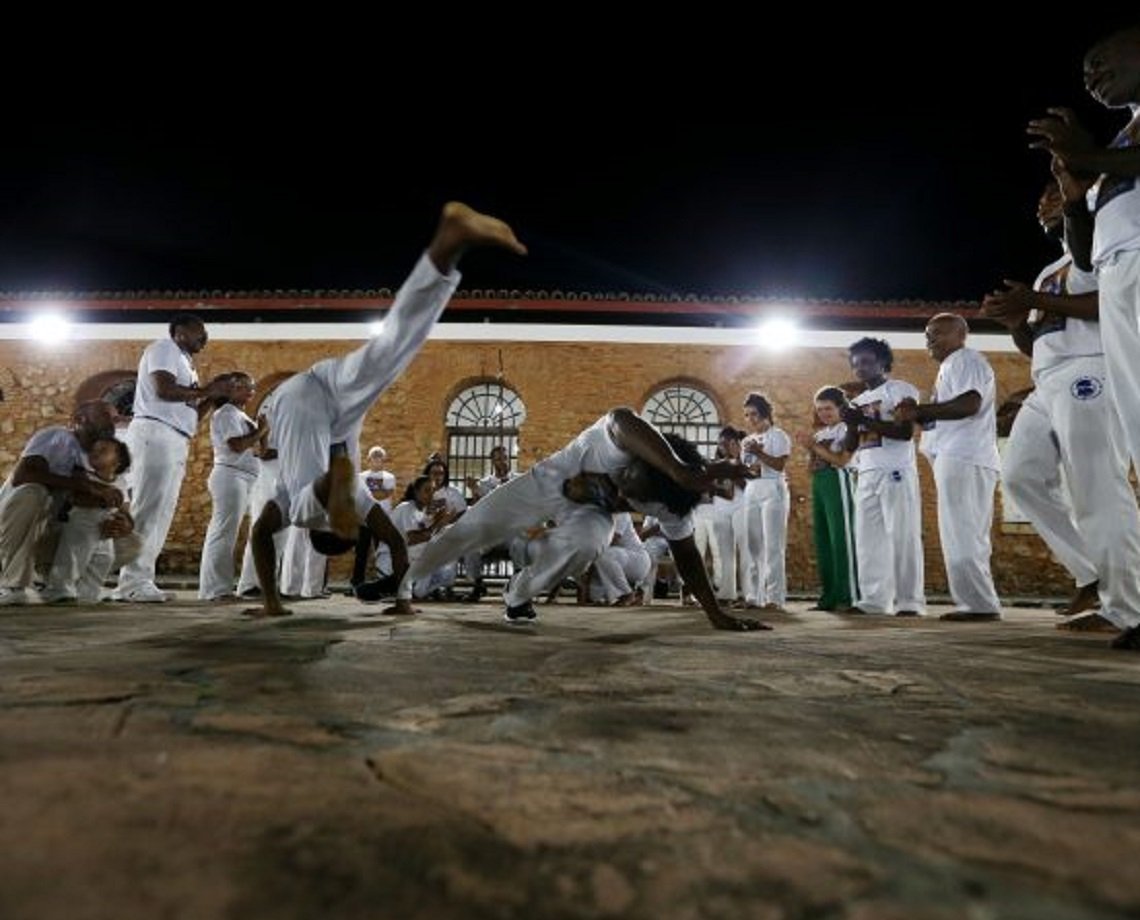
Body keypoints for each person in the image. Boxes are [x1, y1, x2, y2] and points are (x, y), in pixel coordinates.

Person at [243, 201, 527, 618]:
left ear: (339, 528)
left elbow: (261, 536)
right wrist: (401, 600)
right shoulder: (351, 502)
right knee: (389, 352)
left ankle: (325, 486)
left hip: (300, 400)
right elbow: (263, 536)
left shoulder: (331, 508)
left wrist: (272, 604)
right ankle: (446, 249)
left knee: (305, 497)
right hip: (325, 392)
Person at [394, 408, 767, 631]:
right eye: (626, 478)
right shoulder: (620, 437)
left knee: (586, 544)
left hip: (592, 511)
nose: (622, 488)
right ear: (645, 458)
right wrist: (681, 469)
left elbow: (686, 556)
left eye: (632, 496)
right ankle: (402, 585)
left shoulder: (669, 503)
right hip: (547, 484)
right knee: (472, 528)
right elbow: (623, 418)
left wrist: (714, 613)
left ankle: (519, 595)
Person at [982, 180, 1140, 634]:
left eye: (1053, 195)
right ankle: (1092, 572)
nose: (1042, 204)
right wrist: (1017, 321)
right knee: (1020, 477)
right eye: (1040, 199)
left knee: (1097, 485)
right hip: (1046, 380)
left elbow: (1108, 306)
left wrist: (1034, 301)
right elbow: (1038, 342)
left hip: (1092, 371)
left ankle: (1125, 606)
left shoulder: (1102, 254)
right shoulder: (1050, 269)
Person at [1027, 26, 1140, 649]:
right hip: (1121, 270)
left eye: (1101, 61)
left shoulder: (1122, 144)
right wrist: (1074, 195)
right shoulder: (1121, 137)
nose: (1091, 74)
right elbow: (1085, 252)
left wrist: (1089, 156)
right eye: (1085, 69)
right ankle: (1131, 604)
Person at [112, 314, 233, 603]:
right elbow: (163, 390)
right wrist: (206, 390)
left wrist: (212, 398)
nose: (204, 338)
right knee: (148, 508)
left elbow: (190, 416)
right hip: (156, 433)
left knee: (161, 512)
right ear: (179, 332)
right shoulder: (164, 349)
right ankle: (132, 582)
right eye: (199, 332)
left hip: (175, 437)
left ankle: (140, 580)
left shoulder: (186, 365)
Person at [895, 315, 1002, 621]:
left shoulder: (964, 360)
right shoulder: (951, 366)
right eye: (927, 335)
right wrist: (919, 415)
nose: (930, 340)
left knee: (962, 531)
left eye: (938, 334)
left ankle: (978, 605)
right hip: (962, 456)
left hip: (964, 457)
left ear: (961, 334)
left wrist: (920, 409)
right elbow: (947, 413)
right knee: (966, 531)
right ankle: (978, 601)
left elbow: (969, 405)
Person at [0, 400, 123, 605]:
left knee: (128, 538)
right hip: (13, 524)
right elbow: (23, 475)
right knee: (33, 493)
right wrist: (88, 486)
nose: (113, 421)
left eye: (116, 417)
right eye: (106, 415)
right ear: (79, 420)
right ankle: (11, 585)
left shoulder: (96, 457)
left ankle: (69, 585)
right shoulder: (57, 436)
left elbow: (86, 500)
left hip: (48, 530)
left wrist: (118, 517)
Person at [842, 337, 926, 616]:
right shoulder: (857, 401)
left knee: (903, 535)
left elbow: (904, 433)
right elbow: (849, 446)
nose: (860, 368)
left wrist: (863, 421)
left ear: (882, 363)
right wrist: (851, 423)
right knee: (868, 539)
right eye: (856, 364)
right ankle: (874, 600)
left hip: (895, 469)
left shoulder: (900, 389)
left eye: (866, 362)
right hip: (866, 472)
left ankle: (909, 601)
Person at [41, 437, 139, 604]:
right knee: (72, 556)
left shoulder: (121, 482)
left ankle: (87, 592)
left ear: (118, 461)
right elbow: (75, 498)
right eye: (94, 450)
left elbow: (125, 509)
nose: (95, 453)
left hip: (105, 529)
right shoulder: (84, 477)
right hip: (81, 523)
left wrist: (121, 520)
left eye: (103, 450)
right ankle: (58, 589)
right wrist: (102, 502)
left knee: (104, 559)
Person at [199, 373, 266, 601]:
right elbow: (236, 445)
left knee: (232, 531)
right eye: (242, 386)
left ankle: (232, 586)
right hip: (231, 475)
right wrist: (261, 430)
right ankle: (215, 590)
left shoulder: (240, 415)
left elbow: (254, 448)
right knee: (223, 532)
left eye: (252, 386)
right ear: (228, 390)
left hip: (246, 476)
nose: (249, 390)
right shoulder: (226, 413)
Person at [796, 387, 857, 612]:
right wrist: (812, 452)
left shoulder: (846, 429)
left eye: (828, 408)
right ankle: (829, 595)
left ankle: (847, 594)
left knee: (841, 538)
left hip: (838, 480)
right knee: (823, 540)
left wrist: (813, 447)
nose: (823, 413)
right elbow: (813, 465)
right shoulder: (821, 434)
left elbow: (841, 461)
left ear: (840, 407)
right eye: (820, 409)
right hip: (820, 483)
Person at [739, 393, 791, 611]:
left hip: (772, 487)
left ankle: (774, 597)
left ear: (765, 414)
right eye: (747, 415)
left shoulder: (778, 436)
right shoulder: (746, 440)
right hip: (752, 489)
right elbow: (747, 468)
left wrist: (759, 452)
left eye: (754, 414)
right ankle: (753, 596)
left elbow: (779, 465)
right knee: (753, 545)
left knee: (772, 545)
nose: (750, 419)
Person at [460, 444, 520, 601]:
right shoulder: (483, 484)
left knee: (521, 544)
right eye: (498, 459)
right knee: (470, 546)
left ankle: (519, 586)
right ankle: (478, 585)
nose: (503, 462)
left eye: (505, 458)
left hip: (511, 530)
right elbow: (477, 508)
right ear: (492, 462)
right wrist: (475, 491)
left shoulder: (519, 480)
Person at [389, 476, 457, 599]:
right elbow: (413, 539)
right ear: (416, 492)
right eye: (427, 490)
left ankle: (422, 589)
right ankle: (418, 590)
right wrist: (439, 522)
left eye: (432, 491)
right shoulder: (407, 507)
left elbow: (427, 534)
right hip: (394, 558)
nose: (431, 494)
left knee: (448, 574)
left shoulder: (422, 511)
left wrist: (440, 521)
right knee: (434, 549)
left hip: (411, 555)